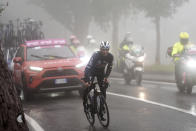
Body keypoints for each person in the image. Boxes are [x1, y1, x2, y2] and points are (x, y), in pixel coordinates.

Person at [82, 41, 114, 120]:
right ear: (100, 49)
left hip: (100, 73)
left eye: (107, 49)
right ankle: (85, 102)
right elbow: (88, 67)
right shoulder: (96, 55)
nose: (105, 51)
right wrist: (87, 80)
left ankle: (101, 111)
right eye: (103, 49)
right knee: (89, 87)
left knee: (103, 91)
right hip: (91, 72)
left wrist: (106, 77)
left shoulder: (110, 56)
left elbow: (109, 68)